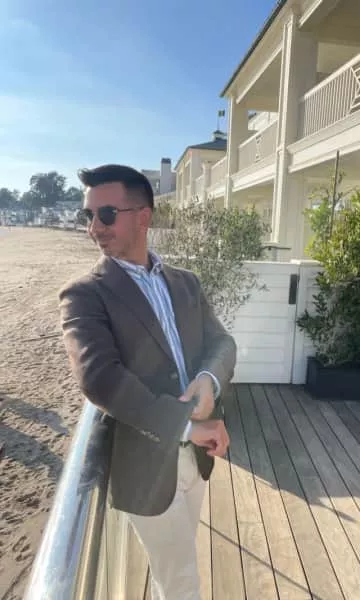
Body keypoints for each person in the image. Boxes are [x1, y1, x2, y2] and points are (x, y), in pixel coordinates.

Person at [58, 164, 236, 600]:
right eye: (88, 215)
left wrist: (209, 380)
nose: (94, 227)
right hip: (145, 466)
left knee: (174, 573)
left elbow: (222, 342)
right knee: (181, 581)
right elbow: (100, 378)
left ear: (143, 216)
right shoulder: (84, 294)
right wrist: (185, 425)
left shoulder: (186, 283)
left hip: (198, 457)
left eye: (106, 214)